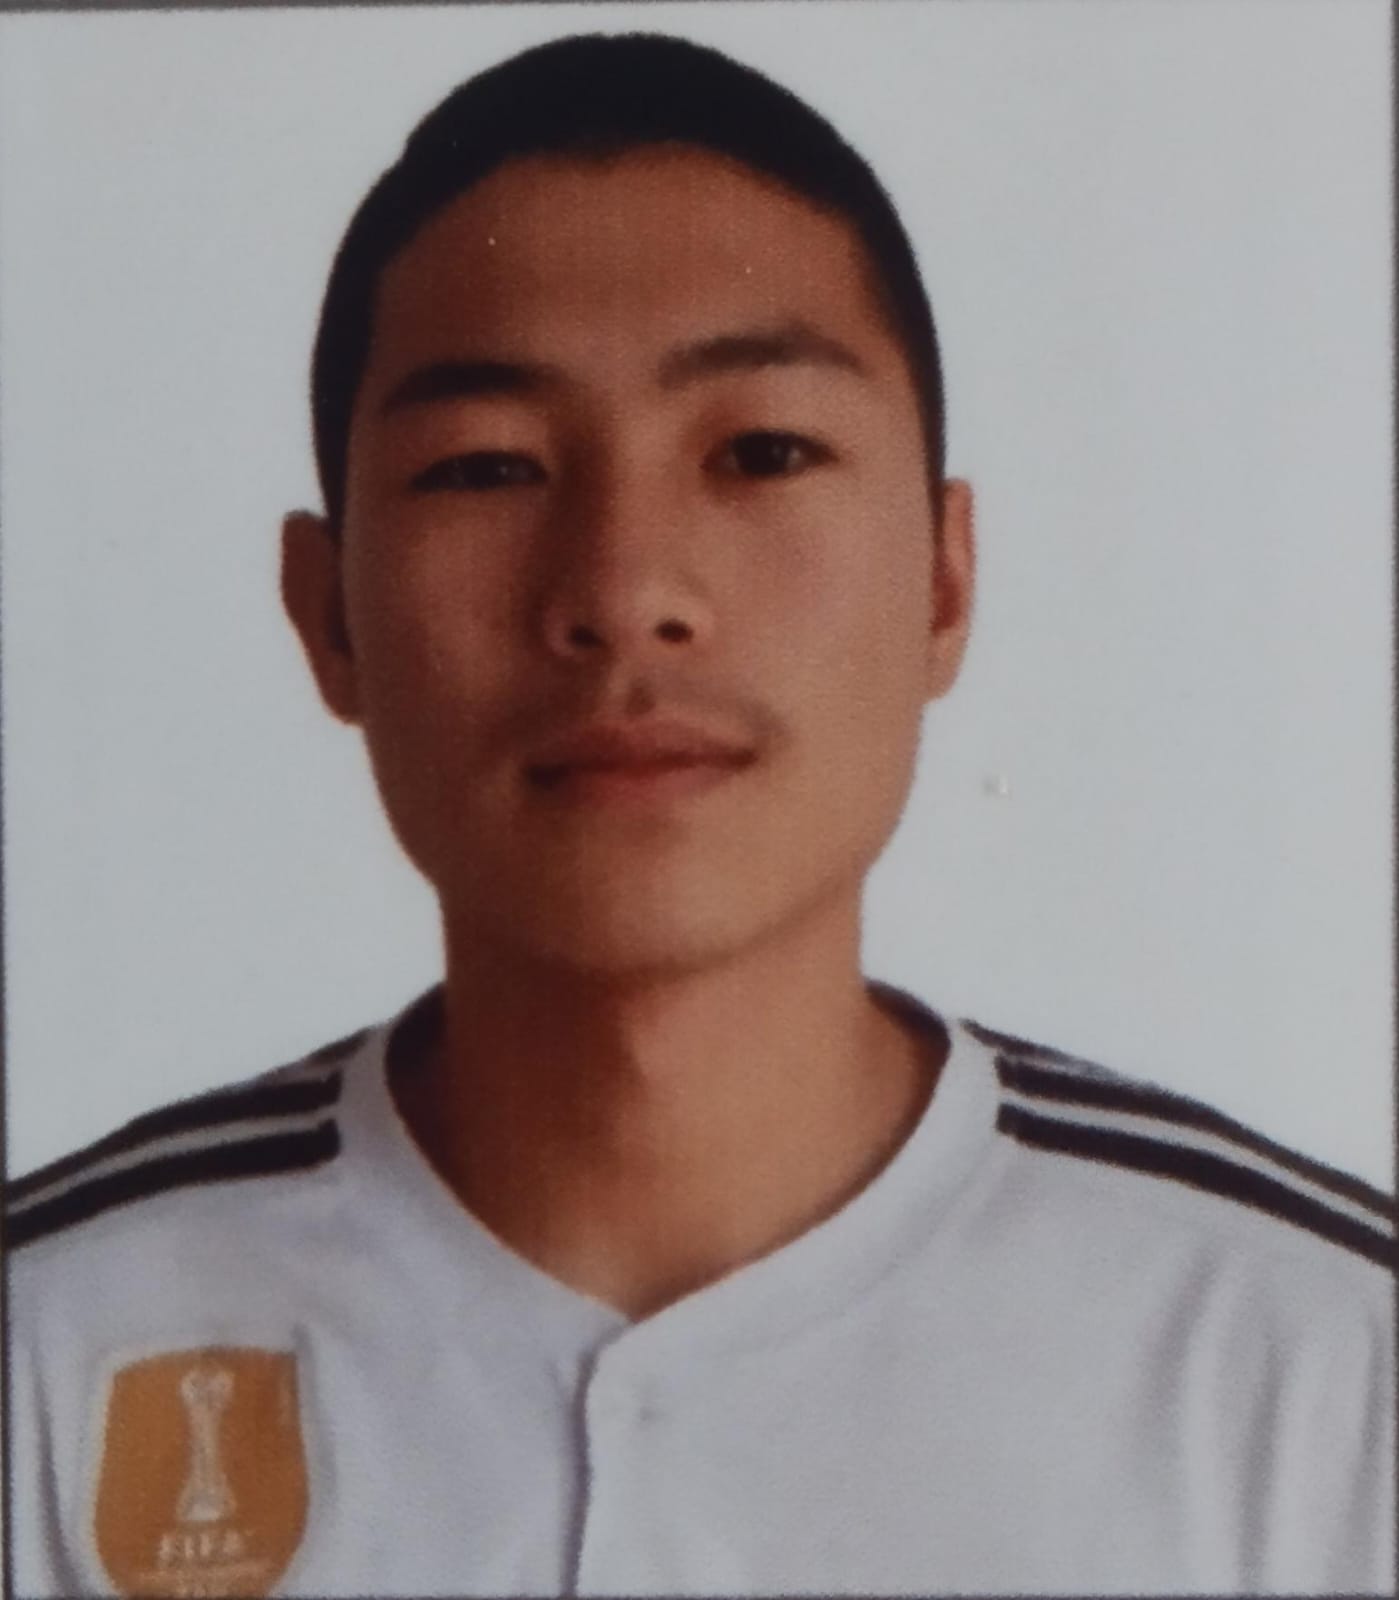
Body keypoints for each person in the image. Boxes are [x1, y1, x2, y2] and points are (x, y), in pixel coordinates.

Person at [6, 31, 1393, 1600]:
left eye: (762, 452)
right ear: (327, 613)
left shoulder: (1320, 1377)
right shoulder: (50, 1348)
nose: (623, 591)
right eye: (487, 467)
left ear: (946, 582)